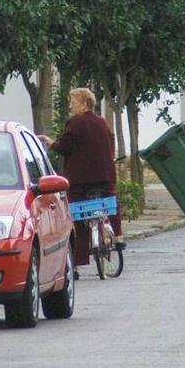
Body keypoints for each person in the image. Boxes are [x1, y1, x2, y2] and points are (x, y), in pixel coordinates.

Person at [40, 88, 122, 271]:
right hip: (105, 176)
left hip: (80, 180)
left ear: (84, 103)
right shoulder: (103, 122)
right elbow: (110, 143)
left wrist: (51, 142)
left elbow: (65, 147)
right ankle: (118, 237)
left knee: (76, 215)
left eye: (74, 102)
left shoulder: (75, 123)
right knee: (111, 201)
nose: (71, 106)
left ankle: (77, 263)